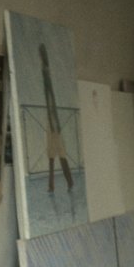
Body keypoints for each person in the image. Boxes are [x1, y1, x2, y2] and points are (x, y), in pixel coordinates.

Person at [39, 43, 74, 193]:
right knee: (53, 156)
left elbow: (50, 94)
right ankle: (53, 185)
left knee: (59, 155)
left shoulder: (46, 73)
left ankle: (68, 182)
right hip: (51, 121)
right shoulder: (45, 71)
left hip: (53, 120)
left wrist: (55, 123)